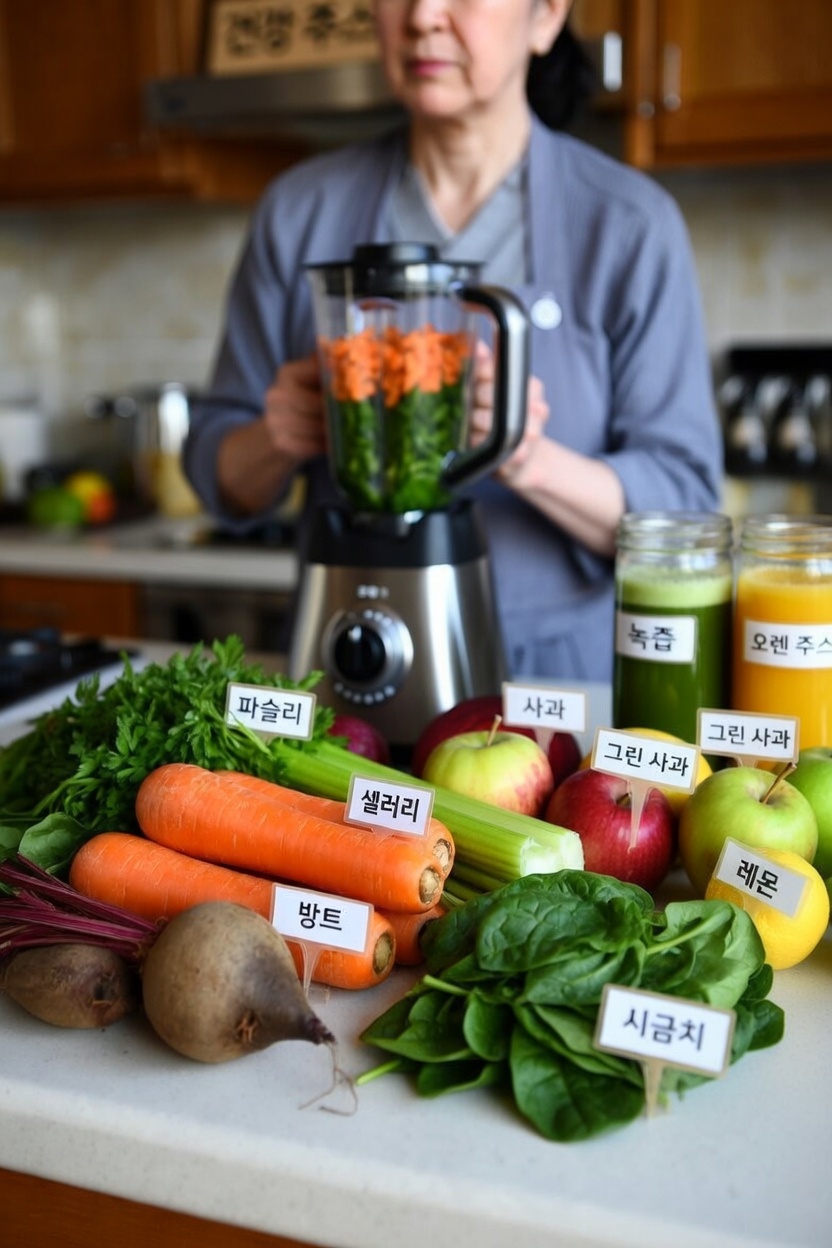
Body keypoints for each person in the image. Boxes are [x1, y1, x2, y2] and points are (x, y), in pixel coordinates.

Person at [183, 0, 723, 682]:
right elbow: (213, 473)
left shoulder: (628, 225)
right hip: (340, 660)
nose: (424, 16)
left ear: (546, 17)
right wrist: (274, 434)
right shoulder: (298, 212)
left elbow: (686, 513)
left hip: (555, 682)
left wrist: (525, 456)